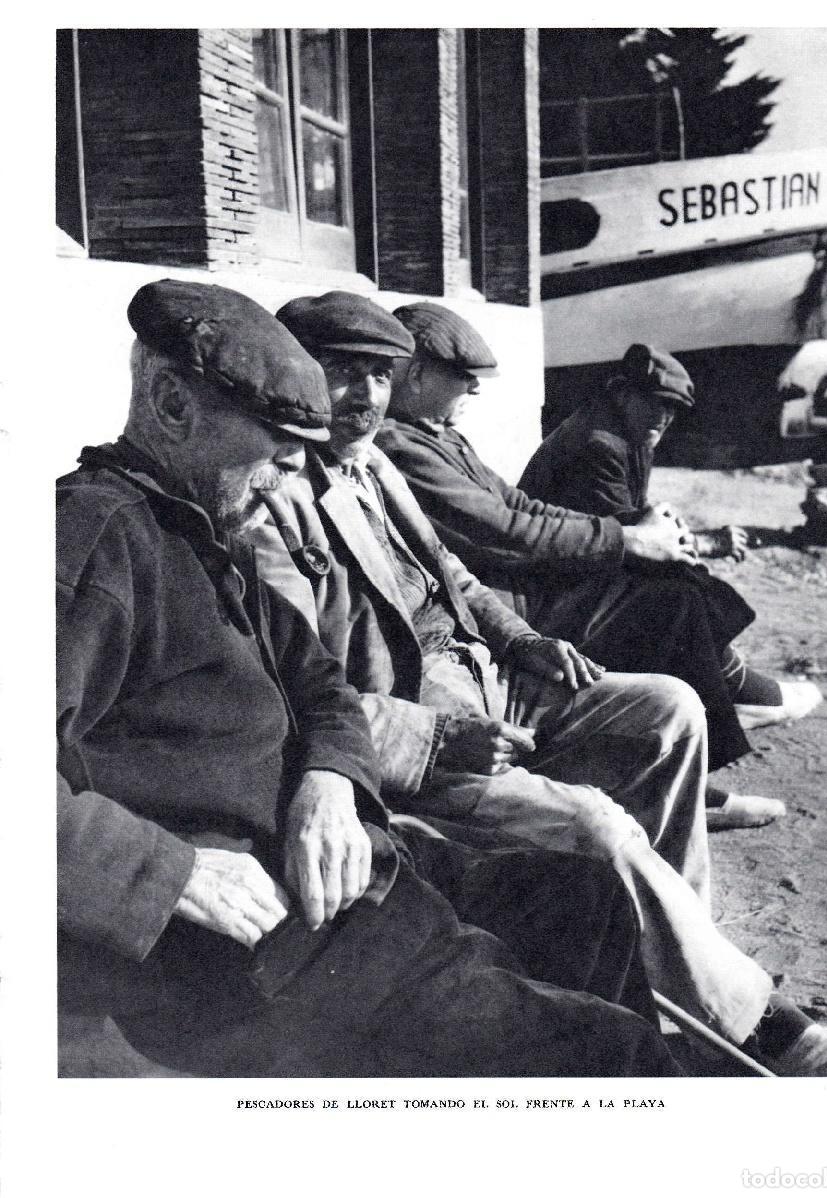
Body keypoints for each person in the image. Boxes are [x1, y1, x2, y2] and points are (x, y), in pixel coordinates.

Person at [58, 278, 687, 1079]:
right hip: (261, 956)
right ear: (175, 406)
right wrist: (167, 871)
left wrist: (328, 779)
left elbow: (321, 684)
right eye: (277, 447)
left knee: (586, 900)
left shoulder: (205, 532)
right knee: (612, 1055)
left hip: (358, 877)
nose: (292, 477)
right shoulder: (90, 540)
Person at [250, 290, 827, 1075]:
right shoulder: (271, 501)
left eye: (380, 374)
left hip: (488, 677)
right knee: (597, 826)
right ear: (292, 377)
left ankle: (679, 961)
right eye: (343, 374)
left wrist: (524, 639)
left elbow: (453, 572)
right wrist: (441, 739)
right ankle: (749, 1026)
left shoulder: (374, 464)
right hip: (423, 733)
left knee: (669, 709)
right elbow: (304, 692)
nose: (366, 396)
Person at [377, 306, 816, 826]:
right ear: (418, 373)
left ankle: (712, 727)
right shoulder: (401, 445)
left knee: (674, 589)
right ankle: (699, 771)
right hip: (507, 602)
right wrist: (629, 538)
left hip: (523, 583)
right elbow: (503, 530)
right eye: (464, 378)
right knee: (669, 601)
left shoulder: (439, 435)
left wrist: (636, 535)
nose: (474, 390)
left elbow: (519, 505)